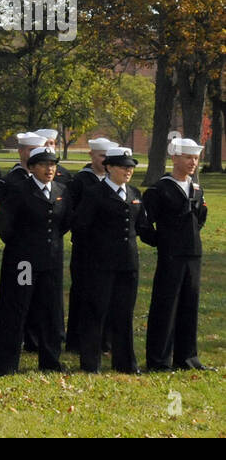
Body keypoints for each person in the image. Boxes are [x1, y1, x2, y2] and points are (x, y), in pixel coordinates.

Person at [0, 146, 73, 374]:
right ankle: (7, 363)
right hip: (24, 261)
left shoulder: (61, 190)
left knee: (51, 310)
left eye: (53, 165)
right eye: (44, 165)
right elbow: (4, 225)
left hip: (51, 260)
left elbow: (64, 222)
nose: (50, 169)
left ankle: (50, 360)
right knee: (18, 307)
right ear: (32, 167)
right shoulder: (19, 191)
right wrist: (22, 246)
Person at [138, 138, 212, 372]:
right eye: (188, 157)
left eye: (196, 158)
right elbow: (144, 224)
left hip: (193, 255)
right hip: (171, 257)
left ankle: (187, 357)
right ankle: (159, 360)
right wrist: (164, 241)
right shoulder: (160, 190)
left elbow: (200, 219)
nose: (193, 162)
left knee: (190, 305)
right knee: (165, 306)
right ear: (175, 158)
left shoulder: (196, 188)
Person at [71, 146, 141, 373]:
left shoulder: (134, 193)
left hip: (127, 264)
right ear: (109, 167)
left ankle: (125, 362)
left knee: (123, 313)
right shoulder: (94, 193)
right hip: (100, 264)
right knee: (95, 313)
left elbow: (139, 227)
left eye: (130, 167)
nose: (127, 171)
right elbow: (81, 227)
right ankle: (91, 363)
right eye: (122, 167)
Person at [64, 137, 113, 353]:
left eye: (107, 157)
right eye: (101, 156)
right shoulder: (82, 181)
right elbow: (71, 211)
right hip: (85, 246)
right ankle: (76, 338)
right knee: (83, 291)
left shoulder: (113, 179)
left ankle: (104, 338)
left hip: (107, 248)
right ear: (91, 156)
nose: (104, 161)